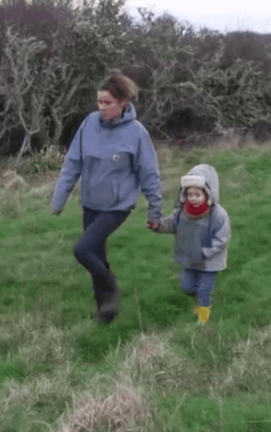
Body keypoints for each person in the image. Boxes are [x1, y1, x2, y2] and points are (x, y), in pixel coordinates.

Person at [49, 69, 163, 323]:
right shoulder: (89, 124)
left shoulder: (137, 133)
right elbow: (72, 164)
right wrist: (59, 199)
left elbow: (149, 175)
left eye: (108, 103)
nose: (102, 107)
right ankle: (105, 313)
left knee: (83, 249)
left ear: (123, 102)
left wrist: (155, 210)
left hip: (117, 206)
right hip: (90, 202)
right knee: (96, 256)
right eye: (99, 101)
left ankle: (111, 287)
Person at [147, 164, 231, 324]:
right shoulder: (182, 212)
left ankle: (203, 316)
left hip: (209, 261)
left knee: (204, 288)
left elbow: (222, 239)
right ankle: (199, 301)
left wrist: (206, 252)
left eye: (197, 194)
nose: (193, 197)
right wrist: (158, 226)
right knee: (187, 287)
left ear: (208, 194)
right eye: (189, 194)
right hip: (188, 258)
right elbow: (171, 224)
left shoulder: (218, 215)